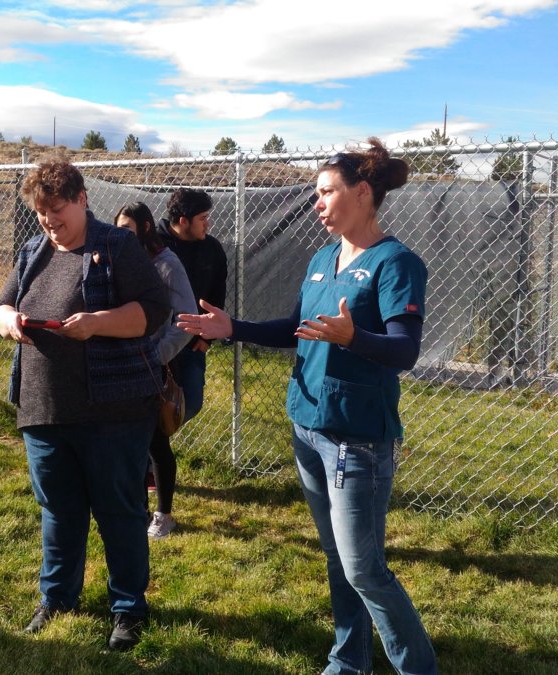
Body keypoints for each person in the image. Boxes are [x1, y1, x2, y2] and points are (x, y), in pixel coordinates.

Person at [177, 139, 438, 675]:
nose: (317, 204)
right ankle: (349, 660)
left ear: (362, 193)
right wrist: (234, 328)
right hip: (309, 426)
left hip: (356, 437)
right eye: (315, 195)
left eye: (326, 193)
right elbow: (296, 329)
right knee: (340, 560)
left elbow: (405, 350)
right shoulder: (322, 258)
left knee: (364, 567)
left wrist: (353, 339)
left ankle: (417, 668)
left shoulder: (396, 263)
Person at [0, 161, 169, 651]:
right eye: (41, 212)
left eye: (57, 209)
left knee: (120, 511)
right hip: (44, 408)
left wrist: (97, 323)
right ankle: (57, 598)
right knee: (59, 510)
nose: (49, 221)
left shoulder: (118, 247)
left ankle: (128, 607)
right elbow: (1, 306)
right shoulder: (33, 252)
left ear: (83, 199)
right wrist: (11, 322)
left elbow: (155, 312)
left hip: (115, 410)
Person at [114, 202, 194, 539]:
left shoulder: (167, 264)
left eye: (128, 230)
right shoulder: (121, 261)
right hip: (119, 365)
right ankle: (135, 510)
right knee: (125, 442)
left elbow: (187, 320)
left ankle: (163, 514)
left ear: (146, 227)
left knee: (155, 442)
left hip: (150, 367)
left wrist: (157, 355)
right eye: (118, 230)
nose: (121, 237)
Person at [157, 188, 227, 425]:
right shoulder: (154, 246)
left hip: (192, 343)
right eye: (203, 218)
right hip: (159, 339)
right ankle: (148, 449)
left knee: (191, 402)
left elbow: (218, 294)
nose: (208, 224)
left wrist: (207, 339)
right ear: (183, 221)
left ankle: (153, 442)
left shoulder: (212, 249)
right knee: (151, 401)